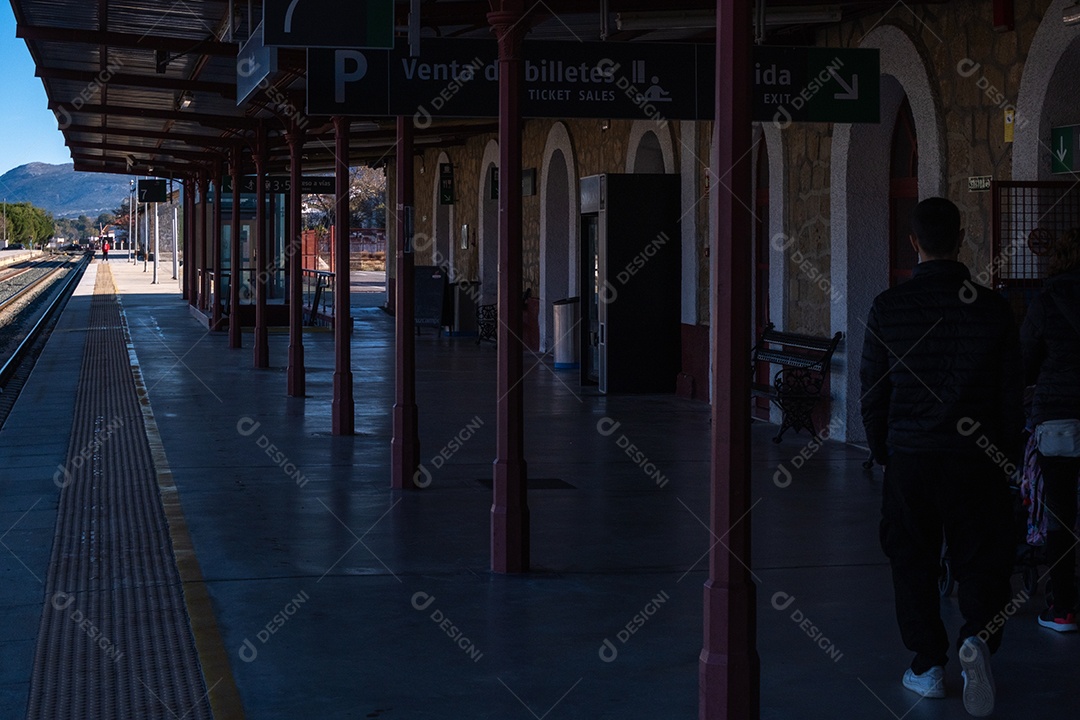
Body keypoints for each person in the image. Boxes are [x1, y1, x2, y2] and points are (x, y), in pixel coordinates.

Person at [860, 197, 1022, 717]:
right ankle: (977, 638)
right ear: (961, 237)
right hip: (977, 459)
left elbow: (873, 391)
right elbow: (1010, 395)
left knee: (912, 560)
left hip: (911, 456)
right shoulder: (993, 309)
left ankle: (928, 664)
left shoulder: (888, 307)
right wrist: (1007, 457)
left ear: (913, 242)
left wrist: (883, 450)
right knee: (982, 559)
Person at [1021, 228, 1080, 633]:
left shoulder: (1045, 302)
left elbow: (1025, 360)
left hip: (1058, 419)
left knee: (1060, 514)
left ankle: (1063, 609)